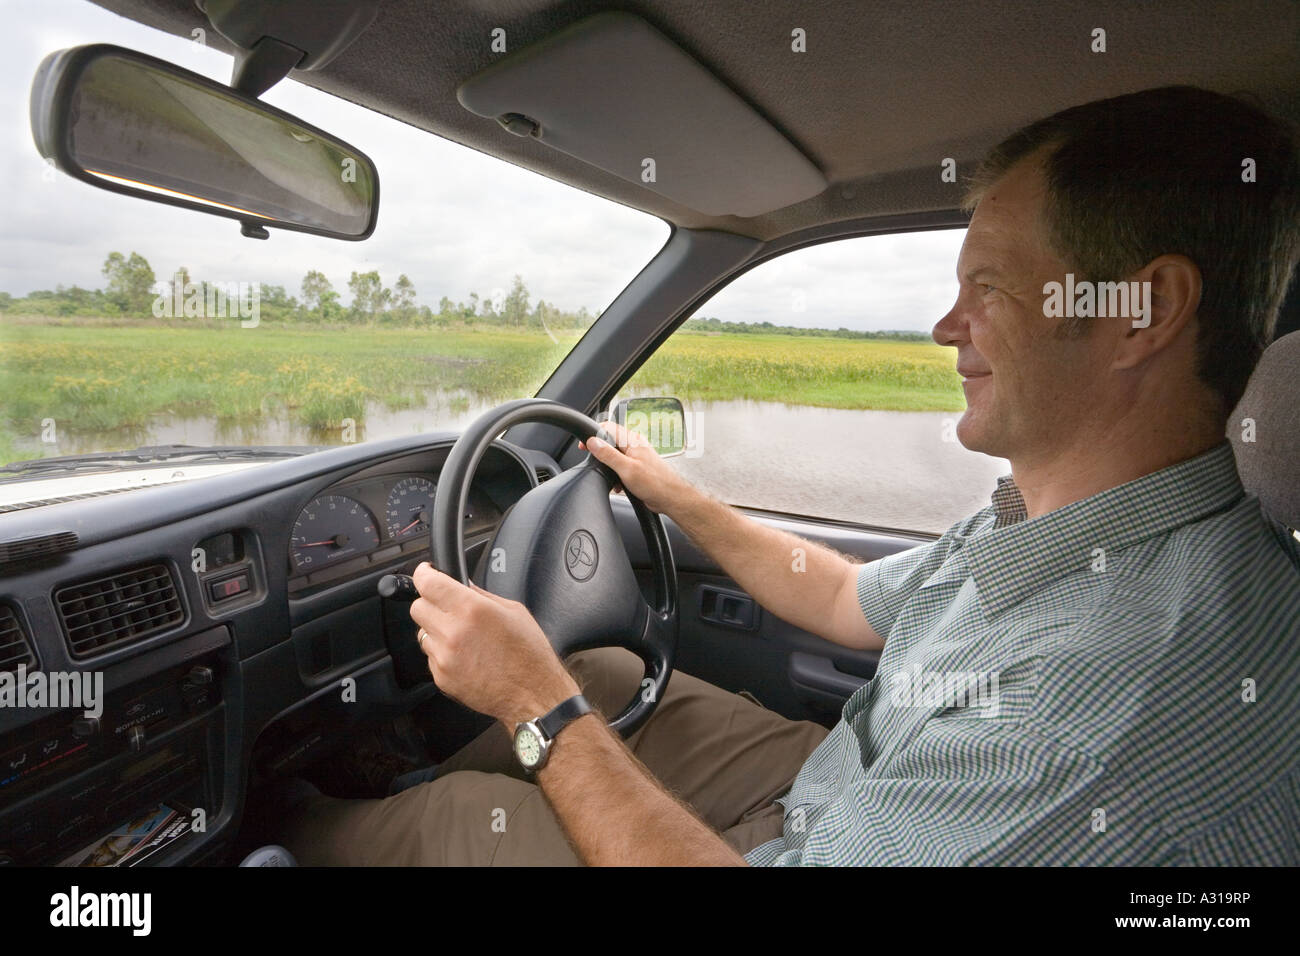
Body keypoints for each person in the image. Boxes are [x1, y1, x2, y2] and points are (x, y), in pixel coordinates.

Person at [281, 85, 1300, 865]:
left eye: (986, 286)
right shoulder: (1058, 524)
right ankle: (390, 788)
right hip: (844, 789)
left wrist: (533, 707)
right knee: (609, 676)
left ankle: (293, 828)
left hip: (823, 837)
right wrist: (671, 493)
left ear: (1139, 311)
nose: (946, 326)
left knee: (469, 816)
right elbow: (847, 597)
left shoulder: (1098, 703)